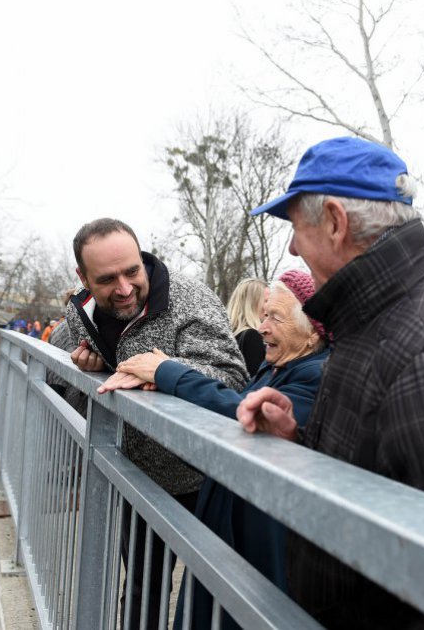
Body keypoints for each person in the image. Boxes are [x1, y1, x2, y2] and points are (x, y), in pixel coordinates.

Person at [237, 136, 424, 628]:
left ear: (334, 222)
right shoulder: (383, 314)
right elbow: (391, 470)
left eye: (295, 227)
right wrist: (300, 440)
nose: (292, 247)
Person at [100, 269, 329, 630]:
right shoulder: (278, 367)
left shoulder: (315, 376)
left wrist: (168, 372)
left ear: (313, 330)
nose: (262, 327)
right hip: (228, 542)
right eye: (264, 314)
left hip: (257, 554)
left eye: (275, 317)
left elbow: (242, 416)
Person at [64, 217, 248, 629]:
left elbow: (233, 378)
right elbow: (84, 360)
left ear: (143, 256)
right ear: (83, 278)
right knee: (143, 586)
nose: (124, 288)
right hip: (136, 475)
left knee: (213, 596)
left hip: (201, 478)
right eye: (107, 279)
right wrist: (90, 364)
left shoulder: (190, 301)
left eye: (132, 271)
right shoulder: (81, 311)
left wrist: (164, 370)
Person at [226, 277, 268, 376]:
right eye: (266, 301)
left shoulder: (228, 334)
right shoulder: (252, 336)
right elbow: (257, 379)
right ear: (252, 303)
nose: (270, 306)